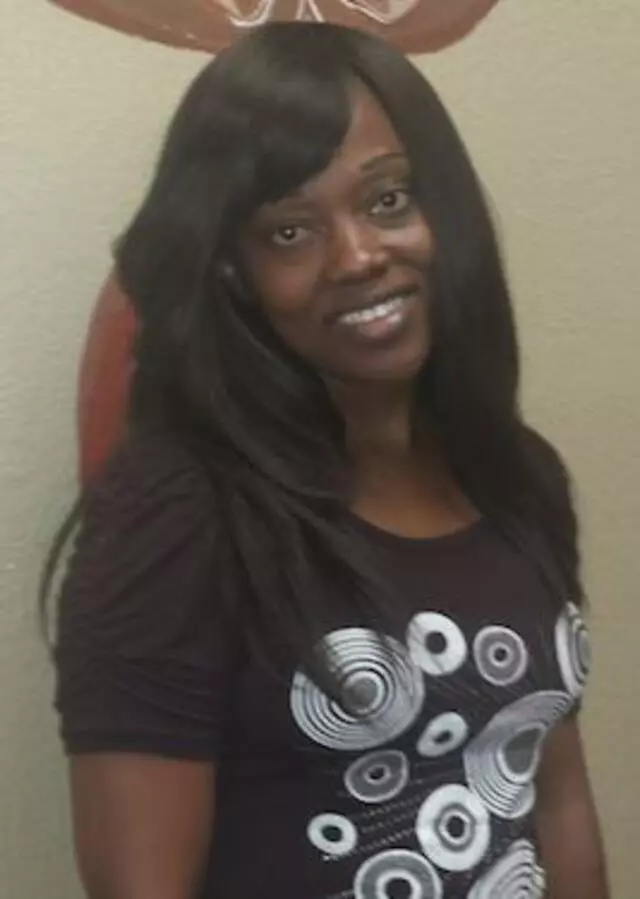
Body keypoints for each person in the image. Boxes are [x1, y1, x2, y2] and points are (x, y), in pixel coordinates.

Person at [46, 21, 609, 899]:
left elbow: (558, 796)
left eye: (388, 200)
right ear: (233, 272)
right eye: (289, 232)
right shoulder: (179, 510)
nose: (357, 256)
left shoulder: (516, 476)